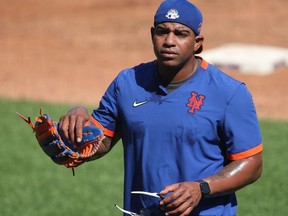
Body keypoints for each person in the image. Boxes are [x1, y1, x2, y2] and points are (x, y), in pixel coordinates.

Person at [59, 0, 263, 215]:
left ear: (197, 43)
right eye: (162, 32)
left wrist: (202, 188)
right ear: (152, 35)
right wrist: (77, 121)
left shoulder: (228, 93)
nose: (169, 41)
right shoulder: (128, 83)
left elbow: (252, 163)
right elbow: (99, 142)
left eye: (181, 34)